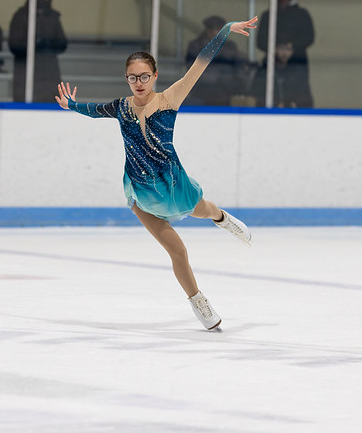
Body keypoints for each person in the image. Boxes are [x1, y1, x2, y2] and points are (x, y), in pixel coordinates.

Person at [55, 17, 258, 331]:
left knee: (205, 210)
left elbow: (201, 63)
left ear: (155, 76)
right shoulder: (121, 107)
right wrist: (72, 105)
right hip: (140, 193)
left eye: (144, 76)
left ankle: (223, 219)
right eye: (132, 77)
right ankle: (199, 301)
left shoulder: (169, 99)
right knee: (177, 250)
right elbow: (94, 109)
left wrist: (224, 30)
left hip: (175, 186)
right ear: (127, 78)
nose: (139, 83)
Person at [256, 0, 315, 106]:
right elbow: (260, 41)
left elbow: (309, 37)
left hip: (297, 65)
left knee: (302, 101)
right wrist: (275, 49)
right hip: (273, 67)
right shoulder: (268, 16)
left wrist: (291, 47)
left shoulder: (301, 14)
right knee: (268, 98)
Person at [8, 0, 68, 102]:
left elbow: (62, 44)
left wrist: (46, 45)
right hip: (25, 74)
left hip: (49, 75)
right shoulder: (20, 16)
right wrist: (33, 46)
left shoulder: (53, 17)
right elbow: (14, 46)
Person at [184, 16, 242, 106]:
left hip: (225, 91)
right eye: (212, 29)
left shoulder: (230, 47)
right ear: (207, 30)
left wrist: (231, 83)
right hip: (202, 90)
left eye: (219, 29)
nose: (215, 32)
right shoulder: (195, 46)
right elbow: (192, 69)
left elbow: (237, 68)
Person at [251, 37, 314, 108]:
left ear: (292, 51)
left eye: (288, 49)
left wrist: (291, 105)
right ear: (275, 49)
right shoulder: (264, 70)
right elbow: (256, 95)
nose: (284, 53)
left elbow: (305, 98)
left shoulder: (298, 73)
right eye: (281, 48)